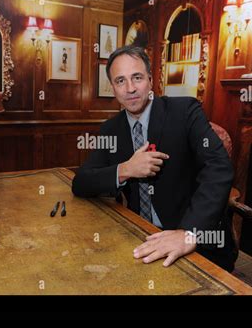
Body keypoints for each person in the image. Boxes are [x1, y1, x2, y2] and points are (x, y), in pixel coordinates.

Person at [72, 45, 237, 271]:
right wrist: (126, 169)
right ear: (113, 88)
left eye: (137, 77)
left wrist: (189, 233)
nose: (130, 88)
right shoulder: (111, 129)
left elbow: (219, 167)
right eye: (120, 81)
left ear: (150, 80)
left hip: (196, 240)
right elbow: (81, 182)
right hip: (140, 235)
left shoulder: (185, 111)